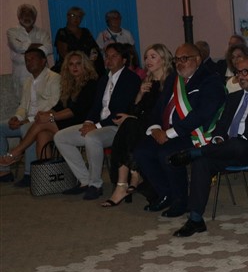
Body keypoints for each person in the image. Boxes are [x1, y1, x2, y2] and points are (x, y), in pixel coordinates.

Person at [167, 56, 248, 236]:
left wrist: (237, 140)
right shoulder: (233, 98)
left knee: (236, 143)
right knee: (202, 162)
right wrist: (218, 138)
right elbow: (221, 125)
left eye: (245, 72)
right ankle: (195, 219)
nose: (240, 76)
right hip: (227, 148)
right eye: (238, 72)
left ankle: (195, 152)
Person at [133, 43, 226, 217]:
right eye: (177, 60)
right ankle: (165, 193)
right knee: (142, 151)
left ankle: (180, 201)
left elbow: (202, 114)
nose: (179, 63)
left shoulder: (211, 80)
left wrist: (169, 134)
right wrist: (155, 128)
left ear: (197, 59)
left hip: (195, 133)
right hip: (168, 131)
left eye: (184, 59)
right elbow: (159, 107)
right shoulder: (174, 79)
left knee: (167, 154)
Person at [54, 43, 141, 200]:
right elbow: (95, 107)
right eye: (107, 56)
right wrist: (88, 122)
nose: (109, 59)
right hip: (99, 125)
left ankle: (95, 184)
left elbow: (119, 110)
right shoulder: (103, 79)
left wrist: (96, 126)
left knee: (92, 137)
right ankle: (84, 180)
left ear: (124, 60)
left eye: (114, 56)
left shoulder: (130, 78)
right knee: (61, 137)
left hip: (118, 126)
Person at [0, 51, 98, 180]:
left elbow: (76, 110)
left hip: (82, 123)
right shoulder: (69, 84)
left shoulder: (91, 83)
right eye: (71, 64)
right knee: (42, 134)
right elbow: (58, 107)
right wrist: (45, 114)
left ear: (85, 65)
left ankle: (16, 152)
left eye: (78, 64)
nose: (74, 67)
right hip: (65, 121)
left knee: (43, 122)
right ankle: (48, 178)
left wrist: (50, 117)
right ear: (67, 67)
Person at [99, 44, 173, 208]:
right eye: (146, 57)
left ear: (164, 59)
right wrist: (140, 94)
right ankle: (131, 176)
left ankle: (125, 183)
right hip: (141, 125)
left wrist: (132, 117)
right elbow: (135, 110)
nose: (148, 61)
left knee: (129, 125)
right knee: (129, 126)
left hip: (159, 127)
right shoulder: (147, 82)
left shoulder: (170, 82)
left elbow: (161, 113)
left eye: (153, 57)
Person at [0, 48, 61, 186]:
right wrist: (17, 117)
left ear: (43, 61)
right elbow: (23, 105)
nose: (29, 62)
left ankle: (30, 173)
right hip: (26, 120)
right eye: (26, 60)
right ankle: (3, 171)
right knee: (1, 127)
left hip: (43, 120)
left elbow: (53, 104)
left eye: (32, 59)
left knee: (27, 128)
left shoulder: (54, 78)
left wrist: (28, 120)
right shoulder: (28, 81)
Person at [7, 4, 53, 101]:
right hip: (22, 75)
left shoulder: (42, 33)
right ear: (19, 17)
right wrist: (39, 46)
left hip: (42, 73)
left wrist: (26, 47)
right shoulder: (12, 32)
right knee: (24, 105)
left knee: (43, 104)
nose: (27, 17)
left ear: (35, 17)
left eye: (30, 14)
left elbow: (49, 48)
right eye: (24, 14)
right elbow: (18, 47)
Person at [54, 6, 104, 76]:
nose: (76, 18)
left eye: (79, 16)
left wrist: (90, 61)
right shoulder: (62, 32)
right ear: (68, 17)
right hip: (70, 67)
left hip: (88, 66)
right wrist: (78, 64)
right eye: (73, 15)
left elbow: (94, 48)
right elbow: (63, 53)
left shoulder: (85, 31)